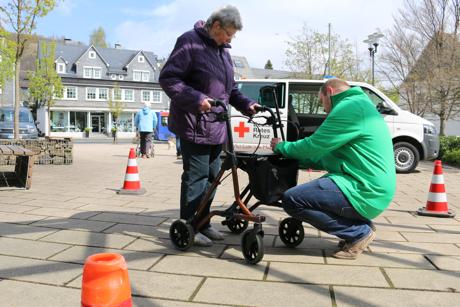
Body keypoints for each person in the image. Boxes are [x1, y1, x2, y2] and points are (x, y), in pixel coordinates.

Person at [159, 5, 259, 247]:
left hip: (217, 127)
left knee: (213, 177)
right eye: (229, 34)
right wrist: (196, 99)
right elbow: (169, 78)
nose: (230, 39)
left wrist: (248, 104)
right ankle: (190, 226)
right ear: (216, 26)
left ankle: (203, 223)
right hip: (194, 124)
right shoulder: (190, 42)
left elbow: (230, 90)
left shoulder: (223, 52)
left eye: (233, 36)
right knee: (196, 177)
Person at [270, 78, 396, 259]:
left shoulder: (348, 108)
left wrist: (282, 147)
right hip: (371, 187)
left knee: (292, 199)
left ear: (329, 91)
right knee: (315, 188)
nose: (323, 108)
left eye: (322, 102)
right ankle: (361, 227)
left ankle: (358, 232)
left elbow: (314, 145)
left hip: (364, 189)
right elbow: (329, 156)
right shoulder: (359, 104)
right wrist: (301, 161)